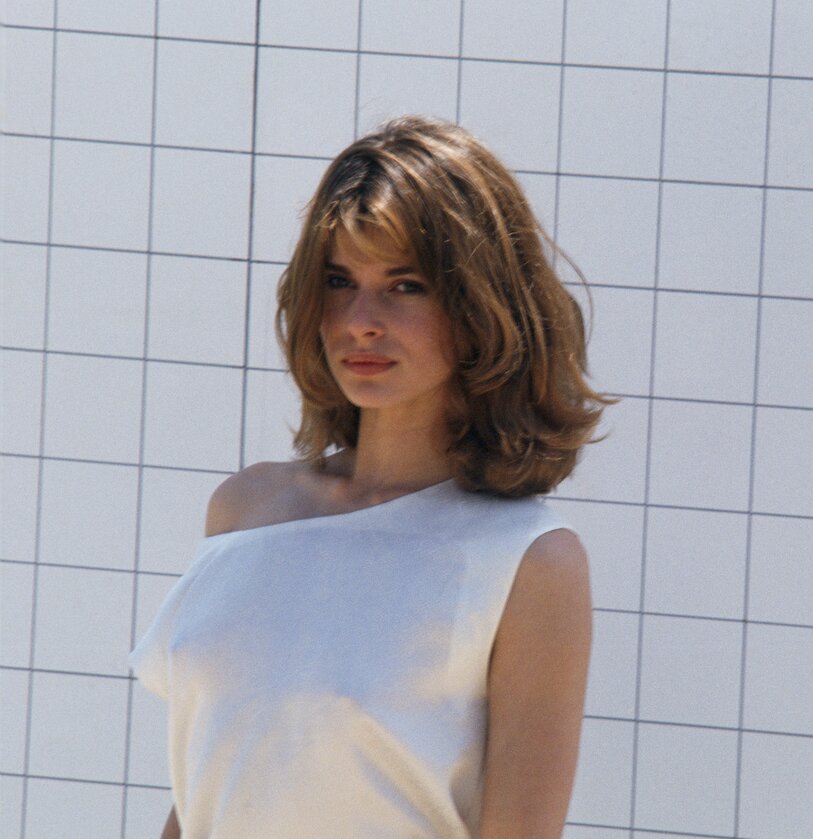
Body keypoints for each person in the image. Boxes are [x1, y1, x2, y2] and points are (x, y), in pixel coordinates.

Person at [127, 115, 615, 838]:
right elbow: (211, 782)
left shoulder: (529, 561)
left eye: (405, 285)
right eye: (338, 281)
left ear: (482, 308)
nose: (360, 320)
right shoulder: (243, 511)